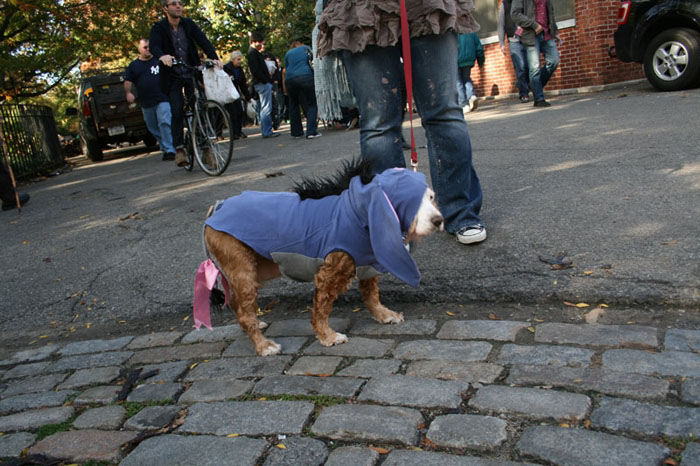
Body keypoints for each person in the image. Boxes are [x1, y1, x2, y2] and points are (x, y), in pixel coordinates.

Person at [317, 0, 487, 244]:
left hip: (426, 5)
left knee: (444, 112)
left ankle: (461, 211)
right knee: (379, 122)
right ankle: (392, 223)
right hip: (361, 8)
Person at [149, 0, 222, 166]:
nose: (178, 6)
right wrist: (162, 56)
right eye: (173, 3)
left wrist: (215, 58)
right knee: (176, 109)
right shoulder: (159, 28)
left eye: (180, 3)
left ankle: (206, 151)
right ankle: (180, 149)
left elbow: (203, 41)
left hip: (191, 72)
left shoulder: (188, 25)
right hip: (172, 75)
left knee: (200, 108)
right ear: (165, 8)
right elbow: (154, 46)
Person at [124, 39, 176, 161]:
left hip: (162, 98)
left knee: (164, 122)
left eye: (149, 47)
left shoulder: (159, 60)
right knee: (152, 127)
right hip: (146, 101)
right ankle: (165, 147)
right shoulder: (133, 66)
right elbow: (128, 81)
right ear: (139, 49)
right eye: (145, 47)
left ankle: (170, 149)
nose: (148, 49)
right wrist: (128, 93)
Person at [511, 0, 563, 107]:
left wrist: (555, 31)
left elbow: (550, 12)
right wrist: (534, 25)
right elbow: (515, 14)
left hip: (547, 33)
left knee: (554, 61)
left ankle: (533, 86)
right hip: (531, 35)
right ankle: (539, 99)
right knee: (534, 67)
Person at [284, 40, 321, 139]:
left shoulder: (288, 53)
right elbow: (313, 61)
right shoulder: (306, 48)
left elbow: (286, 68)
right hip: (305, 76)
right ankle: (311, 131)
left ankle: (296, 132)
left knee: (293, 104)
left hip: (290, 80)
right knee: (312, 104)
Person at [247, 32, 279, 138]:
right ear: (253, 42)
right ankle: (267, 131)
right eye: (259, 42)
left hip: (262, 82)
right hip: (262, 83)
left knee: (265, 107)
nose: (261, 44)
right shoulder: (253, 53)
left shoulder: (254, 52)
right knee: (266, 107)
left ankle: (266, 130)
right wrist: (266, 80)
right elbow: (255, 70)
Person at [498, 0, 530, 103]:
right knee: (520, 67)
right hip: (514, 41)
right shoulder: (505, 4)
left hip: (527, 38)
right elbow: (501, 24)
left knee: (529, 67)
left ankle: (523, 85)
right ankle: (524, 93)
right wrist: (502, 43)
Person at [223, 50, 250, 140]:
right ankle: (234, 132)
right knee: (232, 113)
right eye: (238, 59)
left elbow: (242, 84)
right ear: (233, 60)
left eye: (240, 59)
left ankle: (238, 131)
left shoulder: (239, 69)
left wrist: (247, 96)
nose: (240, 61)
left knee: (239, 112)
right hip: (228, 94)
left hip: (236, 94)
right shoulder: (226, 68)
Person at [457, 32, 485, 114]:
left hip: (456, 60)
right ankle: (471, 96)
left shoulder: (453, 32)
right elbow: (479, 48)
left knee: (458, 82)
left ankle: (464, 104)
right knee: (467, 79)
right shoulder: (471, 31)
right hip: (469, 60)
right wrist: (480, 62)